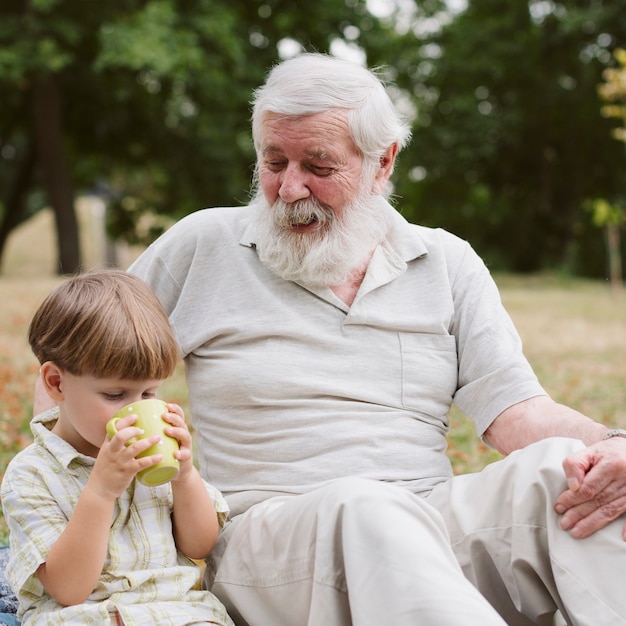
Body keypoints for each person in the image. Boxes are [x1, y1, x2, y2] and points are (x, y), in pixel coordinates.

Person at [37, 54, 626, 624]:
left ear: (383, 162)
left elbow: (517, 412)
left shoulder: (445, 261)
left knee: (571, 472)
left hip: (428, 521)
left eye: (318, 167)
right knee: (364, 505)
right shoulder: (204, 246)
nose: (290, 189)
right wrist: (65, 491)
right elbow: (70, 365)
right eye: (274, 163)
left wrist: (615, 447)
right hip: (267, 540)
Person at [1, 270, 234, 626]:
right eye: (114, 395)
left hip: (177, 612)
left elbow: (200, 546)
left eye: (148, 394)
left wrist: (185, 476)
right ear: (56, 382)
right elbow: (69, 588)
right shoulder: (31, 475)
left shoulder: (158, 453)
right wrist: (101, 490)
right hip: (87, 617)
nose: (135, 408)